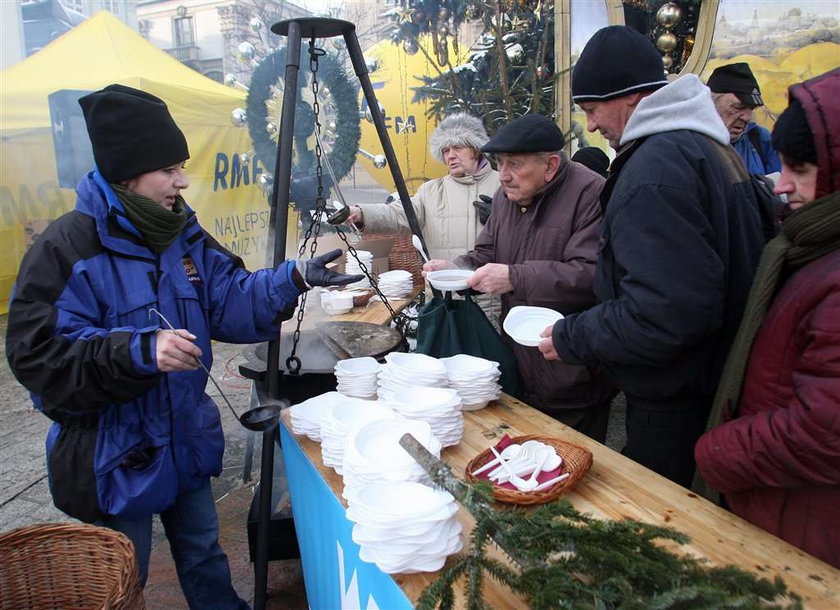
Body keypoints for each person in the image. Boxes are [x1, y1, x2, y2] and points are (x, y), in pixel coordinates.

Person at [4, 84, 361, 609]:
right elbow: (38, 355)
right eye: (169, 169)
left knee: (203, 553)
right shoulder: (68, 248)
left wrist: (292, 280)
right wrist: (138, 351)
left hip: (184, 434)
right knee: (126, 576)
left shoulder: (181, 234)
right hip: (115, 451)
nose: (182, 180)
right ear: (128, 173)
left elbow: (231, 297)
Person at [538, 26, 767, 487]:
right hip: (718, 387)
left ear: (631, 97)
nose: (593, 125)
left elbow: (666, 313)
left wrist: (572, 336)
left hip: (678, 403)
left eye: (592, 109)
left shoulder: (655, 170)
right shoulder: (706, 148)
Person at [695, 68, 840, 568]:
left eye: (799, 169)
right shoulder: (813, 245)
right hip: (784, 504)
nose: (781, 186)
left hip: (804, 521)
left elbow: (825, 428)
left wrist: (719, 450)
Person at [423, 114, 615, 442]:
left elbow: (592, 274)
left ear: (551, 165)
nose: (504, 176)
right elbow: (486, 252)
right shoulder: (506, 196)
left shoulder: (591, 193)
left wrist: (515, 277)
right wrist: (457, 268)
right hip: (518, 361)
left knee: (576, 466)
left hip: (572, 366)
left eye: (514, 164)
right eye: (499, 164)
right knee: (526, 460)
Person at [348, 112, 499, 261]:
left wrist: (502, 218)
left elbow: (522, 240)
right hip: (442, 283)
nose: (450, 156)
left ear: (476, 150)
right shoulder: (430, 191)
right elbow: (398, 214)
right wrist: (361, 213)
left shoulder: (503, 184)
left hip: (491, 283)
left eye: (458, 147)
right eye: (446, 150)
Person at [708, 62, 781, 176]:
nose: (747, 117)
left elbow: (780, 188)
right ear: (710, 103)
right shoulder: (689, 143)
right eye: (738, 107)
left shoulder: (760, 138)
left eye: (752, 108)